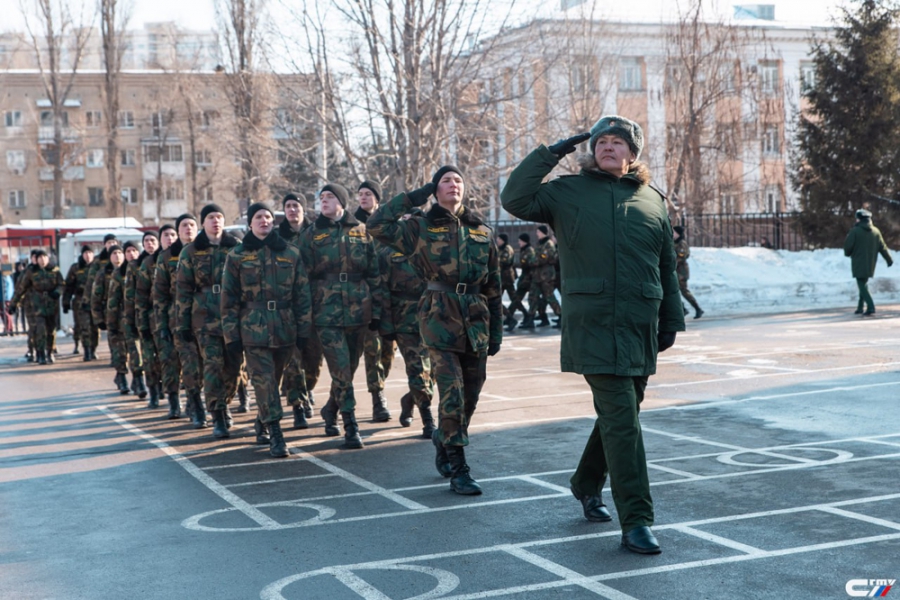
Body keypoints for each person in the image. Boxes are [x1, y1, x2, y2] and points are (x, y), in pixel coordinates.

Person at [501, 115, 685, 554]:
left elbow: (666, 267)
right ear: (591, 149)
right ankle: (637, 519)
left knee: (621, 414)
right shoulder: (566, 192)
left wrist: (671, 319)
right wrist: (551, 153)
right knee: (624, 421)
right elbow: (514, 197)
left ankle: (586, 483)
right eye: (602, 141)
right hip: (595, 324)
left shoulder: (652, 202)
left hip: (640, 324)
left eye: (618, 142)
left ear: (632, 154)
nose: (608, 147)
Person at [368, 165, 502, 496]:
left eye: (458, 180)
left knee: (471, 394)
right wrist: (415, 196)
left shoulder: (481, 231)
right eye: (445, 180)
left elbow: (494, 286)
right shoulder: (419, 227)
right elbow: (377, 224)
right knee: (452, 392)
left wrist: (496, 332)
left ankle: (443, 438)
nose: (453, 184)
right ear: (435, 189)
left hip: (475, 320)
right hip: (438, 317)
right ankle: (459, 467)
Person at [222, 202, 312, 457]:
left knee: (275, 380)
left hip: (285, 327)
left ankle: (262, 420)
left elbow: (302, 294)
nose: (264, 221)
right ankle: (276, 433)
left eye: (269, 217)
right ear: (250, 223)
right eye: (259, 217)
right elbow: (228, 299)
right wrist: (232, 336)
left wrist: (304, 330)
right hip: (253, 328)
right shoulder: (237, 255)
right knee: (263, 382)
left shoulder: (290, 253)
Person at [298, 183, 383, 449]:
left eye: (330, 197)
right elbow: (302, 278)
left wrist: (378, 311)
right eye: (321, 197)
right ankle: (351, 425)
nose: (323, 201)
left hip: (359, 310)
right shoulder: (311, 234)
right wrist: (306, 315)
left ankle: (330, 409)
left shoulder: (361, 231)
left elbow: (374, 273)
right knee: (341, 370)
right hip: (326, 312)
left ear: (342, 202)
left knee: (349, 368)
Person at [176, 203, 242, 439]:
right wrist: (182, 324)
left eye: (219, 217)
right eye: (211, 218)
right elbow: (183, 291)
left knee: (234, 370)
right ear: (203, 223)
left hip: (233, 318)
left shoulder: (236, 248)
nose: (216, 221)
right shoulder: (191, 252)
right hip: (204, 319)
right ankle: (218, 414)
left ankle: (224, 402)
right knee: (213, 367)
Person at [379, 207, 436, 438]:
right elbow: (382, 290)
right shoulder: (389, 252)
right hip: (405, 319)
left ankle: (410, 398)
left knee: (433, 369)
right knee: (417, 368)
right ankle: (427, 419)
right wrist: (386, 323)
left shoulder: (433, 249)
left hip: (434, 316)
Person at [278, 192, 324, 428]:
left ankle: (307, 389)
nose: (292, 210)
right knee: (293, 360)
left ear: (303, 209)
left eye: (296, 206)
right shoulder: (277, 237)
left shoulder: (315, 233)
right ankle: (297, 404)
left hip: (315, 304)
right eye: (288, 206)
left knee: (314, 360)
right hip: (289, 306)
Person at [154, 214, 204, 426]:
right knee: (188, 364)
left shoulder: (204, 251)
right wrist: (162, 325)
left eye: (192, 224)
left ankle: (209, 402)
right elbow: (160, 294)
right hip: (179, 319)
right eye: (184, 225)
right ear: (178, 230)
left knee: (208, 365)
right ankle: (194, 404)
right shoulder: (167, 257)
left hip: (205, 318)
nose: (189, 228)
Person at [354, 179, 394, 423]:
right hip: (366, 297)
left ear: (377, 198)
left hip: (390, 296)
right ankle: (378, 398)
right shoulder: (353, 225)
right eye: (360, 194)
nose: (363, 197)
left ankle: (332, 405)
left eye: (368, 193)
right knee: (373, 349)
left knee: (388, 351)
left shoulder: (387, 224)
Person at [136, 226, 174, 410]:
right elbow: (140, 297)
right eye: (165, 235)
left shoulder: (182, 257)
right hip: (153, 320)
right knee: (152, 360)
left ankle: (181, 398)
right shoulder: (147, 263)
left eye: (172, 235)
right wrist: (142, 324)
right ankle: (154, 392)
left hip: (179, 318)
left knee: (173, 361)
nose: (169, 239)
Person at [9, 249, 63, 365]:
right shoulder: (31, 272)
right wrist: (13, 304)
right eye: (39, 258)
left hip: (51, 305)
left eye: (44, 257)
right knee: (40, 330)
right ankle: (41, 353)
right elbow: (21, 289)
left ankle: (49, 352)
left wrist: (57, 292)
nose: (42, 260)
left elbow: (61, 284)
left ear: (48, 259)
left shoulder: (55, 271)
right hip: (37, 305)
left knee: (51, 330)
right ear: (36, 260)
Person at [125, 232, 159, 404]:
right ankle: (152, 391)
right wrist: (131, 321)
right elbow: (131, 296)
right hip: (145, 316)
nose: (150, 243)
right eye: (146, 241)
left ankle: (165, 391)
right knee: (148, 358)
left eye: (153, 240)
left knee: (167, 359)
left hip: (165, 317)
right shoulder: (136, 265)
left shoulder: (164, 260)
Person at [844, 208, 893, 316]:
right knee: (863, 282)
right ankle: (860, 307)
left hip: (858, 261)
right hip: (870, 262)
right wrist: (889, 259)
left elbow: (848, 247)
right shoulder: (876, 231)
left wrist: (848, 253)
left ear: (859, 219)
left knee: (861, 284)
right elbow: (883, 247)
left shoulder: (855, 231)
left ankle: (870, 306)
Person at [85, 234, 119, 361]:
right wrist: (87, 300)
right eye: (109, 242)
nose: (111, 244)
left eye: (113, 241)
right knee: (111, 331)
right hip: (105, 302)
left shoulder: (122, 258)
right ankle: (114, 355)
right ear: (104, 244)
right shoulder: (98, 261)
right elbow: (91, 282)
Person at [63, 245, 95, 360]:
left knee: (95, 327)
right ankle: (86, 350)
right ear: (82, 255)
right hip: (80, 301)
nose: (88, 255)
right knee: (83, 326)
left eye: (90, 253)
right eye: (85, 253)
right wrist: (65, 302)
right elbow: (68, 286)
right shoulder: (76, 268)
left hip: (95, 301)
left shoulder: (97, 267)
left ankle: (93, 348)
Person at [529, 225, 562, 328]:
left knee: (549, 297)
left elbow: (543, 259)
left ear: (543, 232)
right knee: (533, 297)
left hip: (546, 276)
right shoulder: (540, 244)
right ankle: (535, 318)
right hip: (538, 276)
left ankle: (561, 317)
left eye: (538, 232)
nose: (537, 234)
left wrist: (533, 261)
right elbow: (536, 257)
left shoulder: (548, 244)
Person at [673, 226, 703, 320]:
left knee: (684, 291)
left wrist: (671, 261)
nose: (672, 234)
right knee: (673, 291)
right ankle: (682, 308)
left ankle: (697, 308)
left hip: (681, 272)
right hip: (674, 271)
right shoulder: (673, 243)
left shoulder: (682, 244)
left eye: (674, 232)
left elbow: (682, 257)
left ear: (678, 233)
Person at [512, 233, 537, 330]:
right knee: (517, 299)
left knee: (532, 300)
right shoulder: (524, 250)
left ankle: (530, 319)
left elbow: (531, 266)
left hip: (529, 280)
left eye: (520, 241)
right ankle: (526, 317)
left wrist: (528, 279)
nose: (518, 243)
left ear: (524, 241)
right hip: (524, 279)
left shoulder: (529, 250)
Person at [496, 234, 518, 331]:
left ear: (503, 240)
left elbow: (505, 261)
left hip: (507, 278)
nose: (497, 240)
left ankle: (511, 318)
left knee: (499, 299)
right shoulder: (500, 248)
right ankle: (511, 317)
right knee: (498, 299)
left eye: (499, 239)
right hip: (502, 277)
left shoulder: (507, 249)